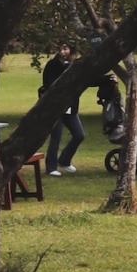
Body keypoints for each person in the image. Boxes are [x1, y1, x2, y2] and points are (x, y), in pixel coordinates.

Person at [41, 43, 85, 175]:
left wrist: (107, 79)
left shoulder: (75, 65)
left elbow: (86, 79)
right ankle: (51, 167)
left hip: (70, 107)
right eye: (60, 48)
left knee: (79, 135)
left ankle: (64, 160)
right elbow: (48, 84)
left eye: (65, 49)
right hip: (55, 107)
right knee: (56, 136)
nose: (62, 52)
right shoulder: (52, 65)